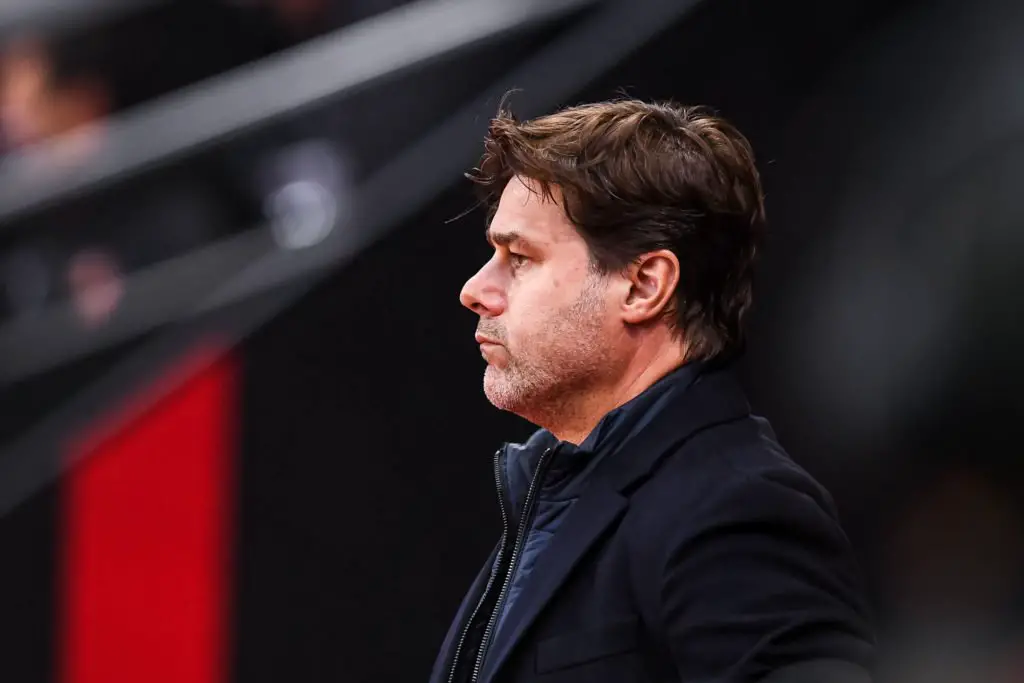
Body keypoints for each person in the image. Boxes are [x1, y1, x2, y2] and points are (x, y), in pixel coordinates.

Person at [430, 99, 875, 683]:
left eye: (520, 257)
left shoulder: (735, 506)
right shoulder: (558, 495)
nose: (474, 289)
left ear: (643, 286)